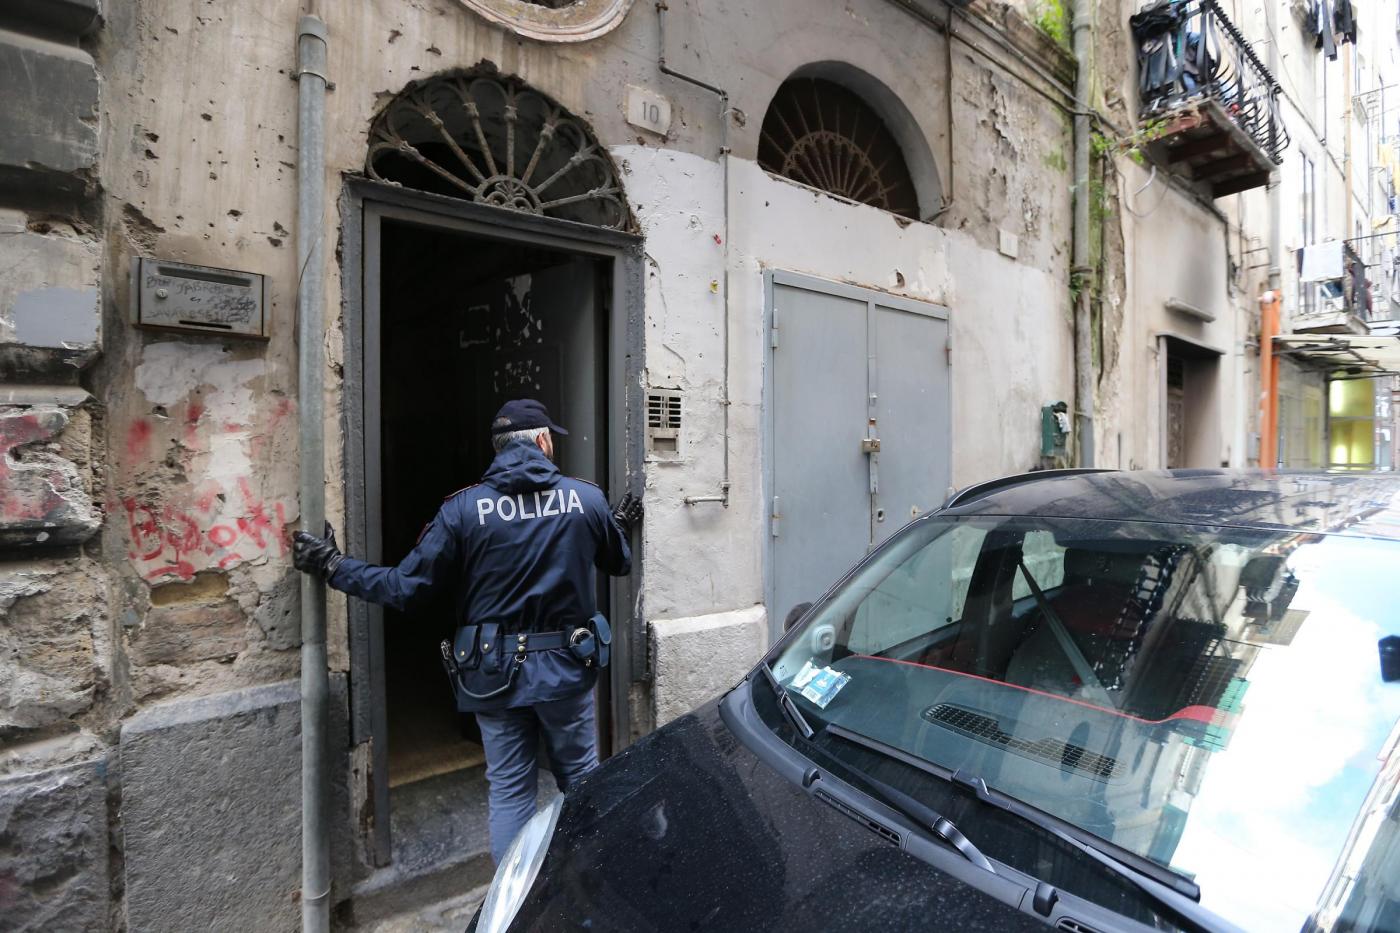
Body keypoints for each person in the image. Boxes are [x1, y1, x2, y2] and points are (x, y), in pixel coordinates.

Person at [292, 398, 641, 862]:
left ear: (500, 448)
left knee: (510, 791)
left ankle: (512, 897)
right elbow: (618, 563)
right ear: (542, 441)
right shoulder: (586, 499)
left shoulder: (462, 509)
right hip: (566, 670)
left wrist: (334, 566)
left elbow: (405, 588)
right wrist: (612, 526)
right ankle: (591, 877)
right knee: (581, 777)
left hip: (491, 675)